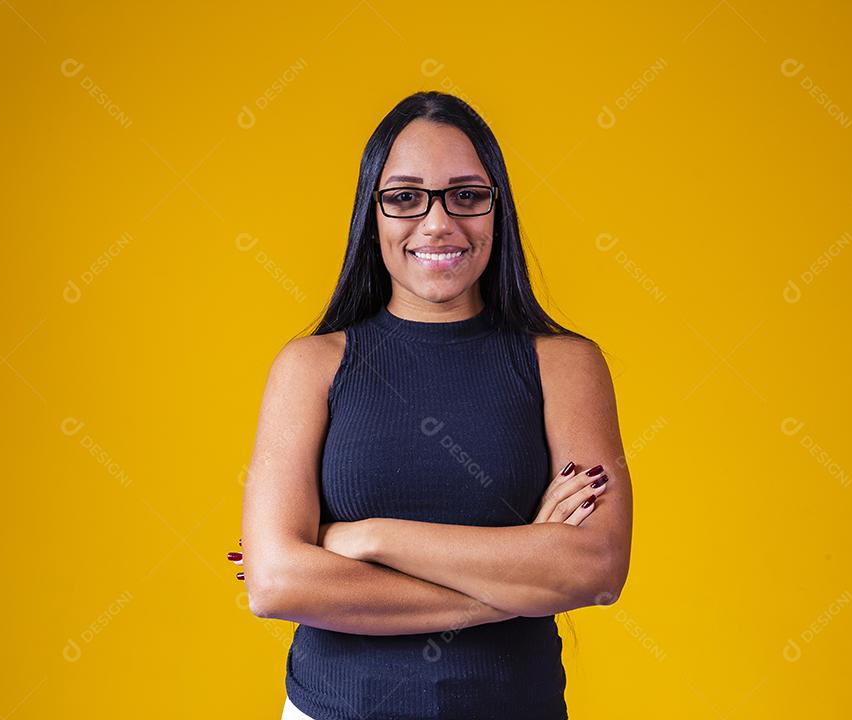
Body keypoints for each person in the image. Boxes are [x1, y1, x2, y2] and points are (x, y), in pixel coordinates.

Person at [227, 91, 633, 719]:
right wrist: (523, 575)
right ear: (373, 213)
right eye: (405, 197)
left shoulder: (566, 365)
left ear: (498, 210)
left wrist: (366, 538)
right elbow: (277, 582)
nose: (439, 223)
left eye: (467, 195)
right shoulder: (311, 366)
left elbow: (597, 569)